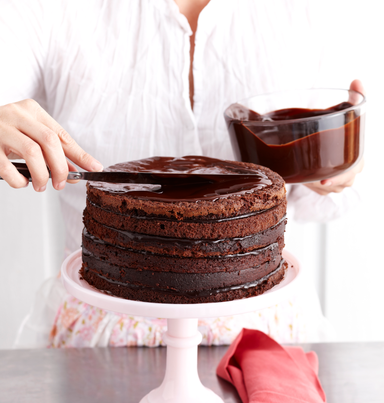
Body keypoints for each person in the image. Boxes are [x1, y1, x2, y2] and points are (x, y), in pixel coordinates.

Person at [0, 0, 364, 348]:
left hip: (263, 334)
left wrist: (335, 174)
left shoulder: (311, 10)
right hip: (103, 328)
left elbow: (337, 184)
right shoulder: (48, 7)